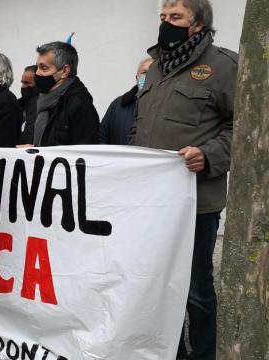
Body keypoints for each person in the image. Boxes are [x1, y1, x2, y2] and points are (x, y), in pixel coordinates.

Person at [131, 1, 236, 358]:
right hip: (151, 201)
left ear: (199, 23)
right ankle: (169, 351)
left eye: (175, 18)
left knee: (195, 289)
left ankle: (204, 353)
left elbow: (244, 127)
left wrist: (209, 155)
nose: (166, 24)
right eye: (163, 17)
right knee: (158, 286)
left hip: (196, 202)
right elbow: (141, 126)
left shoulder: (224, 66)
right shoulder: (157, 67)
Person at [32, 41, 100, 146]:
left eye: (44, 68)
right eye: (37, 67)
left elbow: (86, 153)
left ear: (64, 71)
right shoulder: (41, 100)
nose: (37, 73)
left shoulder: (80, 104)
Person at [99, 58, 154, 145]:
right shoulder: (117, 105)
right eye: (144, 72)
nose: (148, 76)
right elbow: (102, 138)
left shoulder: (166, 106)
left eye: (152, 72)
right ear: (137, 78)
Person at [18, 65, 39, 145]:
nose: (23, 86)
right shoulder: (16, 106)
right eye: (22, 82)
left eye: (27, 83)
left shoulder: (43, 109)